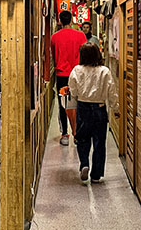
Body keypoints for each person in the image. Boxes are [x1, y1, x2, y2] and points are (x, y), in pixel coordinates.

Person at [66, 41, 116, 183]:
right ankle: (96, 175)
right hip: (99, 108)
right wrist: (116, 108)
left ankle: (84, 164)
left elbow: (73, 91)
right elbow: (111, 92)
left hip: (83, 107)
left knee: (82, 138)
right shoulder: (104, 71)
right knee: (99, 142)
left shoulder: (76, 70)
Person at [50, 10, 87, 146]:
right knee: (79, 104)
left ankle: (65, 134)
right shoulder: (81, 35)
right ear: (71, 20)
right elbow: (84, 56)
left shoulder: (54, 37)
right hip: (78, 74)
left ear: (59, 21)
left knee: (63, 105)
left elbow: (54, 57)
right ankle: (78, 134)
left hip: (62, 75)